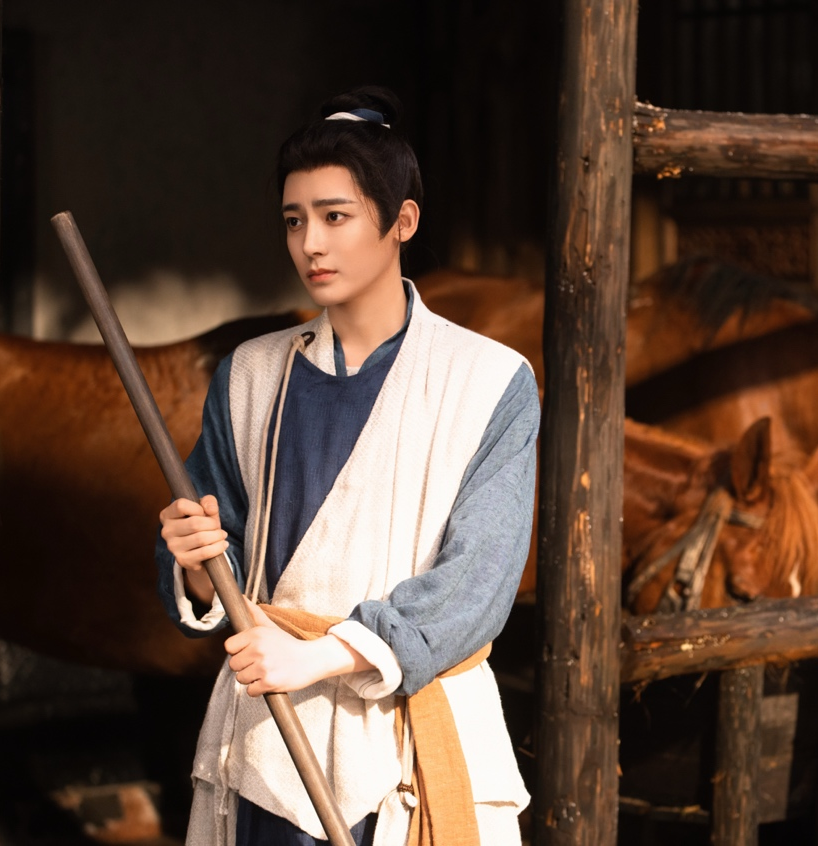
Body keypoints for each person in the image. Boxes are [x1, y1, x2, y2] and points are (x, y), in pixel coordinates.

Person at [155, 86, 538, 846]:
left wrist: (321, 657)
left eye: (335, 217)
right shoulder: (250, 375)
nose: (311, 245)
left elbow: (479, 582)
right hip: (268, 734)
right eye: (294, 221)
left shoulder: (490, 379)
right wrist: (197, 564)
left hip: (403, 731)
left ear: (402, 221)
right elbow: (222, 551)